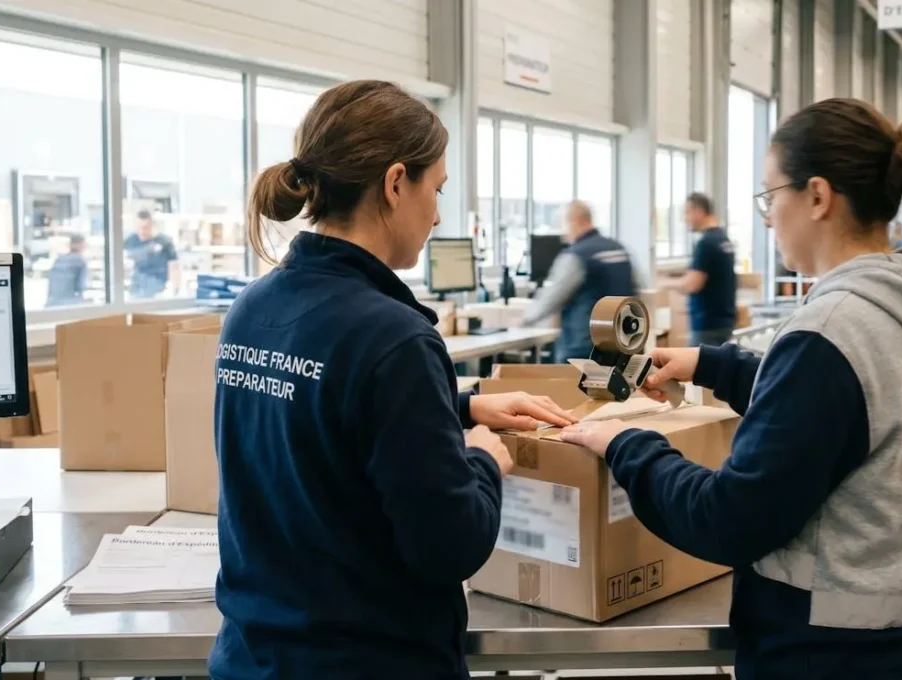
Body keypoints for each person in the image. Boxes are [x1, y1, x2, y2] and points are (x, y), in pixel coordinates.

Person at [560, 98, 902, 680]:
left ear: (816, 196)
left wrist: (624, 444)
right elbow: (852, 412)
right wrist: (708, 365)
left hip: (837, 659)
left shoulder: (830, 332)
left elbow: (727, 520)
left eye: (769, 195)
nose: (766, 216)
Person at [210, 80, 575, 680]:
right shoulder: (394, 337)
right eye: (436, 189)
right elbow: (447, 546)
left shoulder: (252, 308)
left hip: (254, 658)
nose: (436, 214)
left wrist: (460, 406)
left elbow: (322, 415)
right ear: (395, 182)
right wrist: (483, 461)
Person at [522, 200, 638, 362]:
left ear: (577, 221)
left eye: (563, 224)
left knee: (570, 387)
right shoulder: (618, 248)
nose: (562, 234)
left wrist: (523, 319)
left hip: (584, 347)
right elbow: (635, 291)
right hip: (623, 342)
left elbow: (552, 297)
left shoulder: (577, 255)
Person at [676, 193, 737, 346]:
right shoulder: (723, 239)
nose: (685, 219)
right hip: (724, 322)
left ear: (699, 211)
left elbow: (693, 284)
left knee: (701, 369)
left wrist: (666, 283)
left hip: (707, 326)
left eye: (687, 212)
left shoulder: (706, 243)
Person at [124, 209, 178, 299]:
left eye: (145, 228)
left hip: (158, 286)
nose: (142, 231)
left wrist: (174, 288)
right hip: (136, 287)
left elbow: (174, 266)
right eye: (139, 228)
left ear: (152, 225)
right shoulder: (130, 241)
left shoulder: (164, 242)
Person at [45, 233, 89, 307]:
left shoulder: (59, 259)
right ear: (82, 245)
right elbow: (81, 286)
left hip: (51, 304)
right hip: (70, 305)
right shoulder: (81, 261)